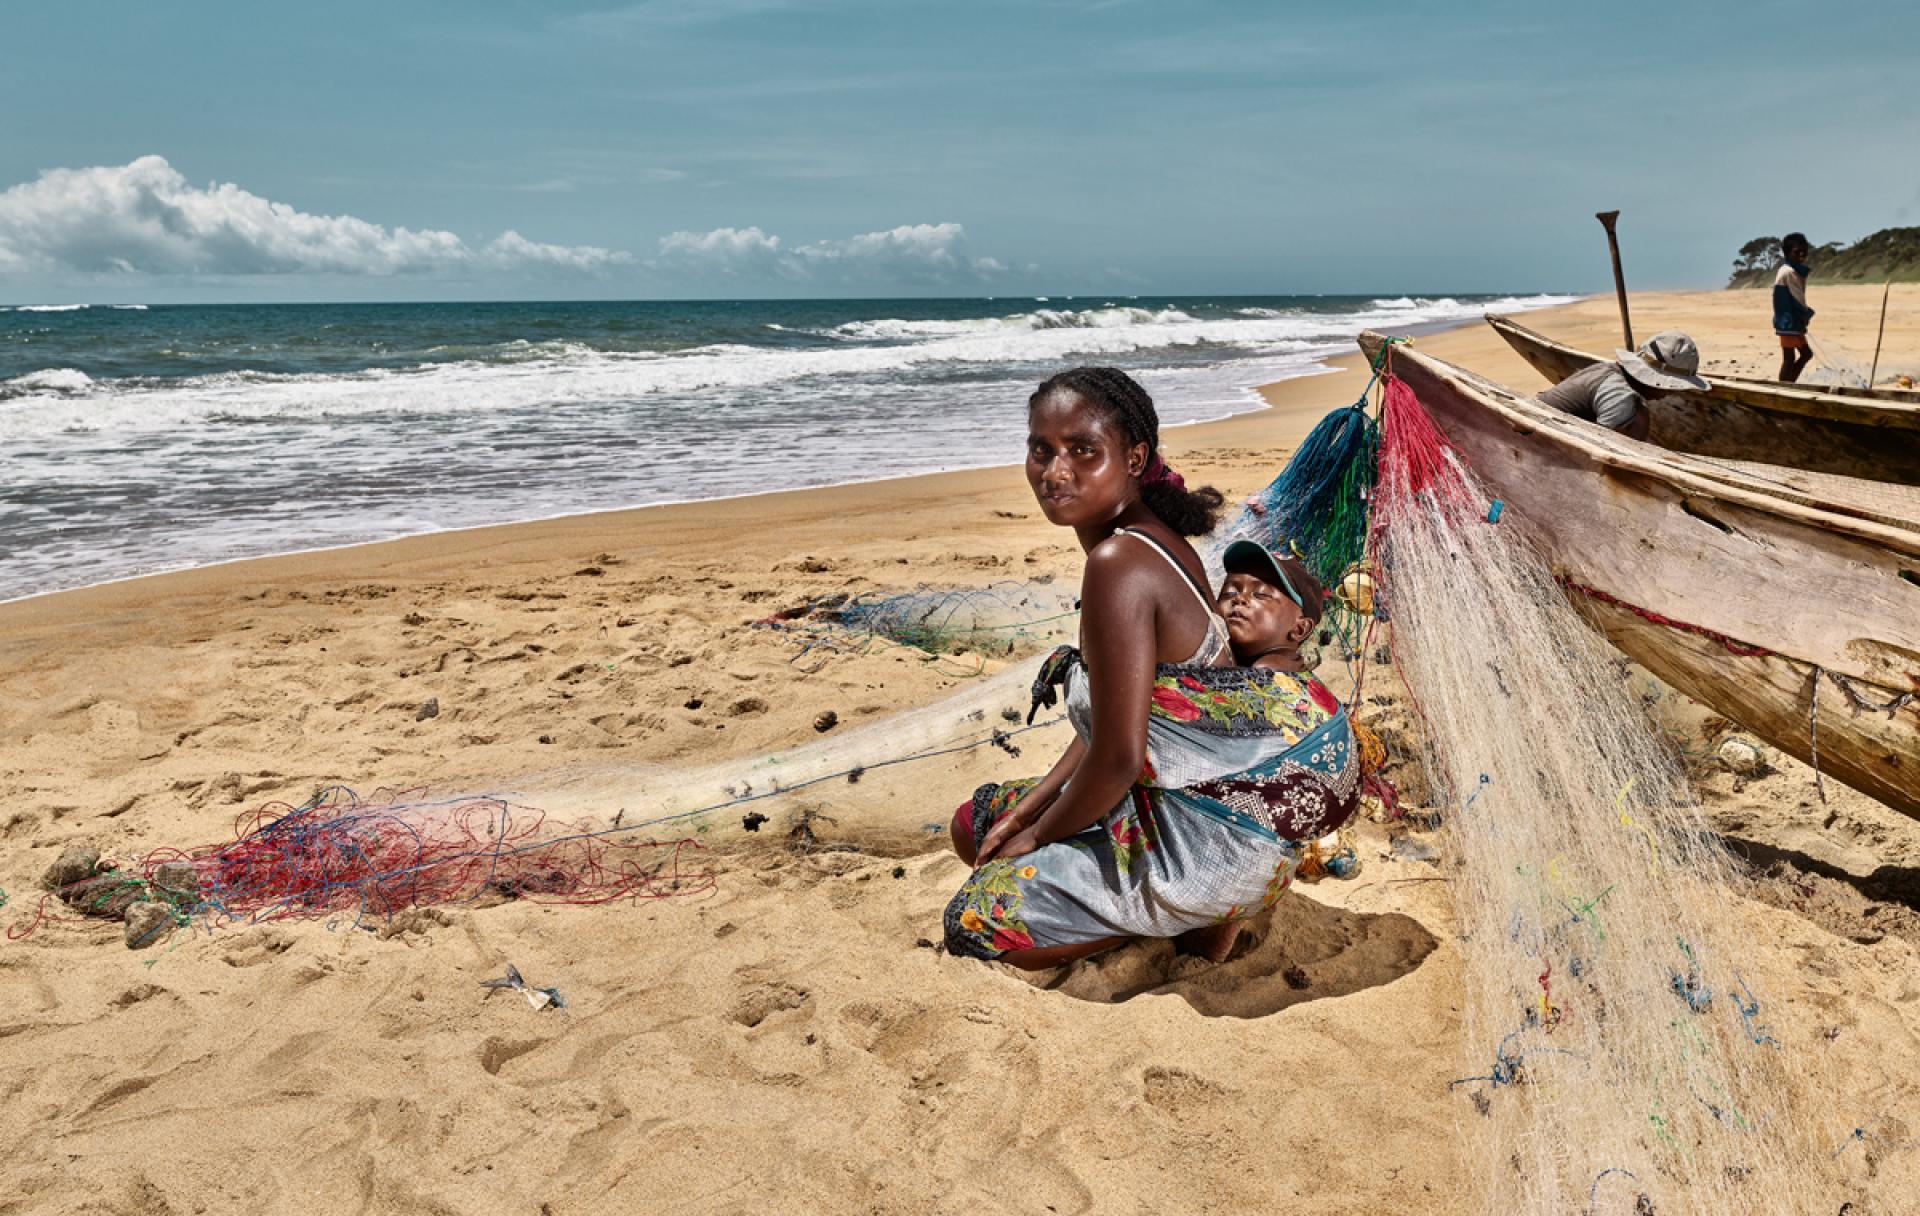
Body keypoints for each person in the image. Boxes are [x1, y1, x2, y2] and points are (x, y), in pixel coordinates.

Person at [942, 367, 1359, 969]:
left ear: (1135, 458)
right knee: (976, 823)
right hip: (1194, 807)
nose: (1055, 472)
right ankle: (1171, 912)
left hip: (1205, 841)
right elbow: (1121, 723)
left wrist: (1037, 838)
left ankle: (1179, 920)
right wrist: (1029, 808)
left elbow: (1118, 757)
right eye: (1042, 449)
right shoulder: (1155, 540)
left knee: (978, 922)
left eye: (1083, 450)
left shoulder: (1120, 563)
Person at [1536, 330, 1711, 440]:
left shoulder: (1607, 369)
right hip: (1536, 438)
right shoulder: (1619, 396)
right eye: (1670, 386)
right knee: (1639, 421)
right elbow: (1607, 447)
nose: (1669, 393)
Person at [1773, 232, 1816, 383]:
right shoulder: (1789, 272)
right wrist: (1805, 316)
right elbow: (1798, 299)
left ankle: (1788, 385)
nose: (1802, 254)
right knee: (1789, 358)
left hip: (1790, 320)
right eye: (1797, 252)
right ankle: (1784, 387)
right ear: (1788, 253)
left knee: (1805, 355)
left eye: (1804, 251)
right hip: (1789, 321)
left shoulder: (1792, 271)